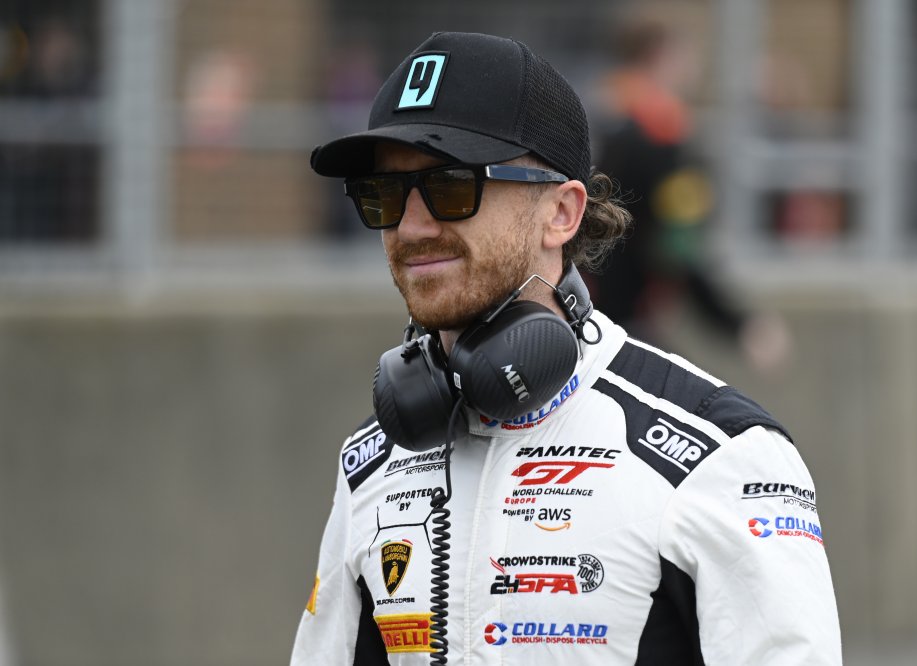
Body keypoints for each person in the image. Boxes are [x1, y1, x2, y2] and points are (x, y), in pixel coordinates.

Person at [291, 31, 840, 665]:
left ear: (561, 212)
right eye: (385, 194)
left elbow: (687, 253)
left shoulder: (724, 459)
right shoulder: (369, 465)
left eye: (451, 186)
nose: (411, 226)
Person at [591, 19, 791, 372]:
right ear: (662, 57)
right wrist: (739, 325)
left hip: (581, 307)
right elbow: (678, 246)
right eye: (687, 57)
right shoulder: (663, 134)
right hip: (628, 318)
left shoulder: (594, 117)